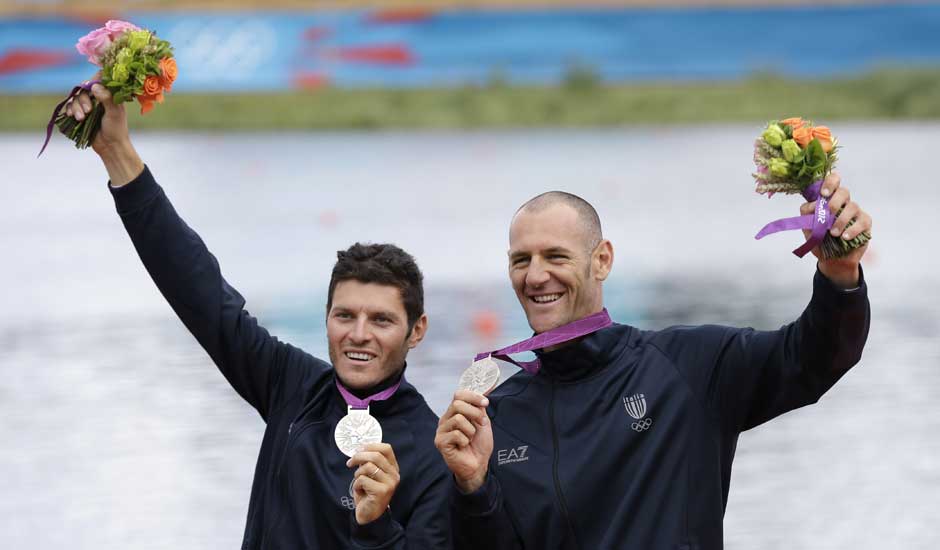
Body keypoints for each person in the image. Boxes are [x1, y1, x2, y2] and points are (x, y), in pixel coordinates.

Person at [65, 84, 450, 549]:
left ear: (417, 330)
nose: (359, 335)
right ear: (326, 316)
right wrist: (117, 154)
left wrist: (378, 525)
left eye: (382, 320)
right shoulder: (290, 383)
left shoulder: (434, 453)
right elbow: (198, 289)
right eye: (345, 315)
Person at [435, 184, 872, 548]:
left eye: (556, 256)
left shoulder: (690, 366)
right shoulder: (496, 417)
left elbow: (811, 357)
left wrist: (840, 275)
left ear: (602, 260)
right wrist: (472, 487)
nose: (535, 276)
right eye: (521, 260)